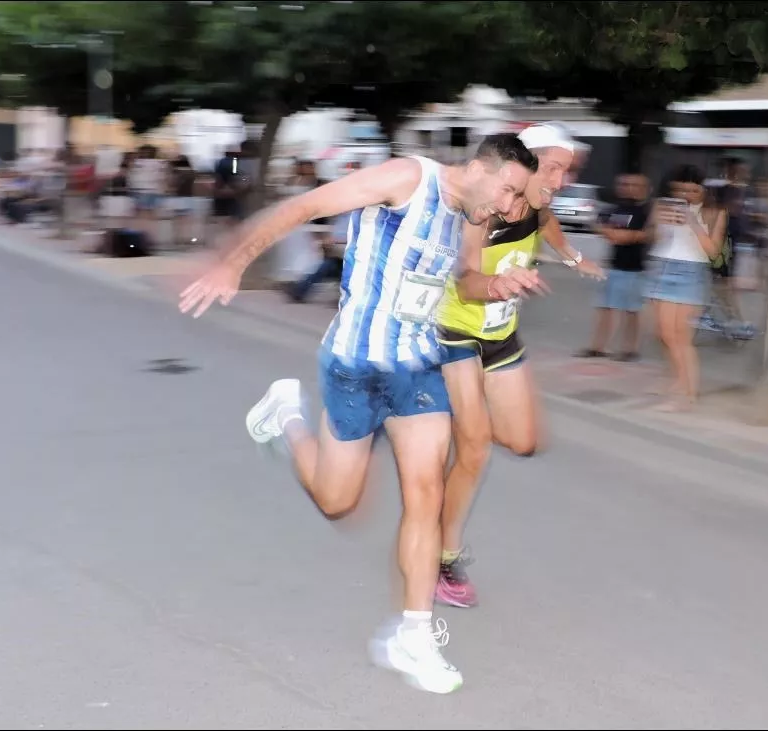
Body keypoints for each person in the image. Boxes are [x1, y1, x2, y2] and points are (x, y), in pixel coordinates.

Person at [178, 134, 543, 694]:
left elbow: (464, 279)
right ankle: (286, 416)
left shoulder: (471, 215)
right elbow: (303, 207)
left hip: (419, 367)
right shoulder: (405, 179)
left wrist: (495, 284)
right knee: (335, 500)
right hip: (355, 363)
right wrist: (233, 264)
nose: (508, 206)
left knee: (427, 493)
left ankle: (413, 636)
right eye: (508, 190)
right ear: (478, 168)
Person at [433, 123, 603, 609]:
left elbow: (546, 225)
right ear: (523, 164)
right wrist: (499, 285)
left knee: (523, 441)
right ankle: (443, 558)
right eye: (551, 167)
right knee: (475, 450)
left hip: (500, 335)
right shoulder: (483, 212)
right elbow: (466, 281)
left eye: (565, 171)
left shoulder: (539, 201)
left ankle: (446, 442)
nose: (559, 178)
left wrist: (573, 258)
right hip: (456, 331)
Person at [648, 165, 727, 411]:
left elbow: (713, 252)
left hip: (691, 271)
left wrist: (693, 221)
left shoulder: (715, 212)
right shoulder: (662, 205)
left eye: (693, 190)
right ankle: (679, 381)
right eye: (681, 190)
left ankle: (688, 393)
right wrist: (659, 225)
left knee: (681, 337)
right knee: (664, 334)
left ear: (704, 191)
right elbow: (653, 238)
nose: (687, 195)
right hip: (663, 267)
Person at [578, 173, 652, 360]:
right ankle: (598, 347)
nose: (628, 188)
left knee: (632, 311)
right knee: (605, 308)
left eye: (634, 185)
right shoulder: (615, 209)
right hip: (613, 267)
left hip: (635, 269)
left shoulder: (646, 211)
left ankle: (630, 350)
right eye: (624, 184)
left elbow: (639, 235)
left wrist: (623, 235)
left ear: (644, 188)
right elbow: (599, 226)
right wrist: (619, 234)